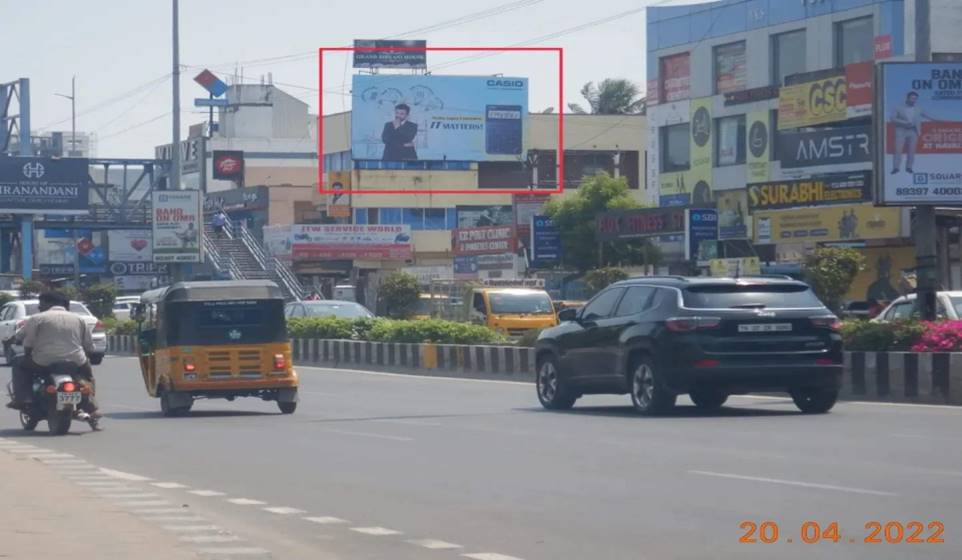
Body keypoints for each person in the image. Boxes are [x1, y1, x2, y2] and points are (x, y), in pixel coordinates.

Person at [6, 292, 100, 418]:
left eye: (41, 304)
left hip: (43, 362)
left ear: (50, 304)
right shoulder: (79, 319)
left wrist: (26, 354)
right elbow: (89, 345)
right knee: (87, 377)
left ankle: (23, 398)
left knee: (18, 362)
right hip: (75, 362)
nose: (39, 307)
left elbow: (27, 342)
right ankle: (92, 407)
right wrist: (85, 359)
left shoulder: (37, 318)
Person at [890, 91, 938, 174]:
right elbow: (892, 118)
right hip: (901, 130)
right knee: (898, 150)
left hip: (913, 131)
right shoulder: (898, 107)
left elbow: (928, 115)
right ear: (907, 98)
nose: (914, 100)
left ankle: (909, 167)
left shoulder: (918, 108)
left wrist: (938, 120)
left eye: (915, 99)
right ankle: (896, 168)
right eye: (912, 98)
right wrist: (904, 122)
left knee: (911, 151)